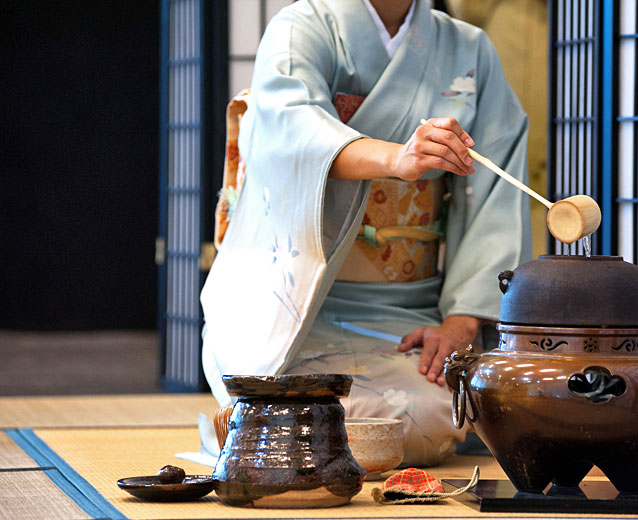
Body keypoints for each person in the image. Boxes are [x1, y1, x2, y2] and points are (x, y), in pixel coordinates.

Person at [201, 0, 532, 466]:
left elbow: (495, 191)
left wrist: (461, 323)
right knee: (298, 403)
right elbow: (290, 131)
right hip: (289, 311)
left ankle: (250, 432)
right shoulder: (302, 29)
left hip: (405, 321)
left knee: (421, 418)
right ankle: (253, 418)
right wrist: (397, 160)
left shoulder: (469, 50)